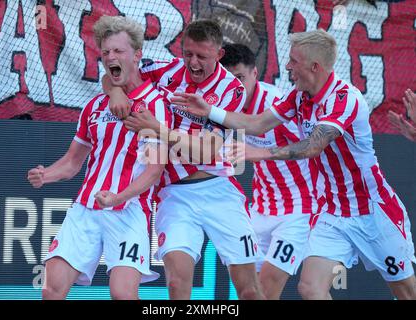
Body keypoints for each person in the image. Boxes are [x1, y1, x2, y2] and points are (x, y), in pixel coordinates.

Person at [179, 29, 416, 300]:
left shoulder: (344, 98)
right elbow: (257, 123)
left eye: (293, 61)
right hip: (332, 213)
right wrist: (210, 111)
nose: (288, 67)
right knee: (310, 289)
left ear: (314, 66)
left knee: (406, 292)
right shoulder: (299, 96)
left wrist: (260, 153)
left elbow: (313, 146)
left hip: (373, 210)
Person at [104, 19, 264, 300]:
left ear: (219, 54)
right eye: (187, 53)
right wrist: (116, 90)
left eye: (202, 56)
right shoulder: (165, 71)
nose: (193, 62)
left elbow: (206, 151)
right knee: (177, 286)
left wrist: (157, 129)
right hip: (173, 194)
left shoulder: (232, 90)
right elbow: (115, 73)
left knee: (249, 290)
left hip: (218, 190)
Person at [27, 15, 172, 300]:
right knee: (51, 288)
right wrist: (47, 175)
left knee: (122, 294)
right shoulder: (94, 106)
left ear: (137, 55)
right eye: (105, 52)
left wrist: (118, 198)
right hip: (86, 207)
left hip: (129, 210)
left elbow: (154, 172)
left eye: (118, 51)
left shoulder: (156, 104)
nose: (110, 57)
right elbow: (72, 162)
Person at [218, 43, 322, 299]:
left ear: (255, 73)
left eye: (240, 78)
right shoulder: (220, 104)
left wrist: (258, 153)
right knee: (249, 293)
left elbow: (314, 146)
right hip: (260, 210)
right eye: (229, 79)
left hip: (299, 209)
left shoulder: (278, 105)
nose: (235, 87)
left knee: (267, 288)